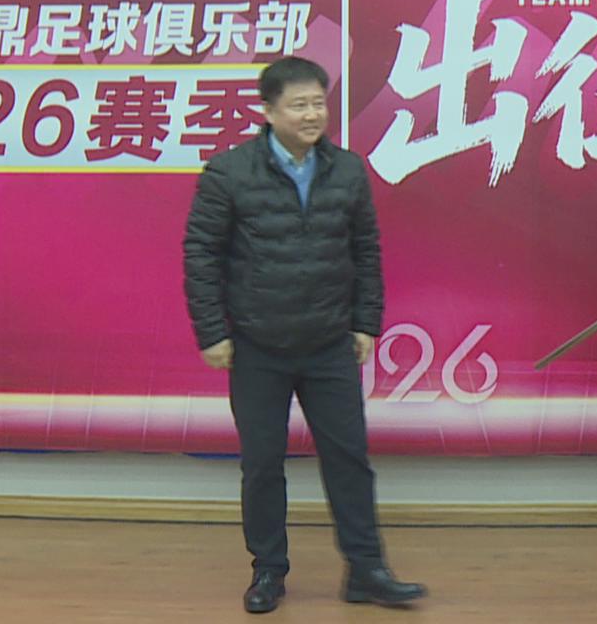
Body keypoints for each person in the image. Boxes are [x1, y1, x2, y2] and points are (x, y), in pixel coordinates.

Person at [182, 55, 427, 614]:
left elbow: (366, 252)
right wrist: (212, 332)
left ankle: (366, 569)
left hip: (329, 343)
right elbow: (201, 256)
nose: (312, 114)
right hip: (256, 346)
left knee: (350, 458)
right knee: (262, 465)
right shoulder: (228, 173)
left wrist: (365, 322)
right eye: (299, 105)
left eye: (318, 102)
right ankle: (268, 570)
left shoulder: (347, 170)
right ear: (269, 111)